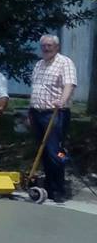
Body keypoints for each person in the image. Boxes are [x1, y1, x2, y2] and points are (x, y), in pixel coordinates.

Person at [28, 34, 77, 202]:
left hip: (55, 113)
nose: (46, 48)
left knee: (54, 151)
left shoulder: (65, 62)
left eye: (49, 45)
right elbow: (36, 87)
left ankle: (58, 189)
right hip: (37, 113)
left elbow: (69, 85)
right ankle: (48, 186)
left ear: (57, 47)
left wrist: (61, 101)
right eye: (43, 46)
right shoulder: (39, 64)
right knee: (43, 152)